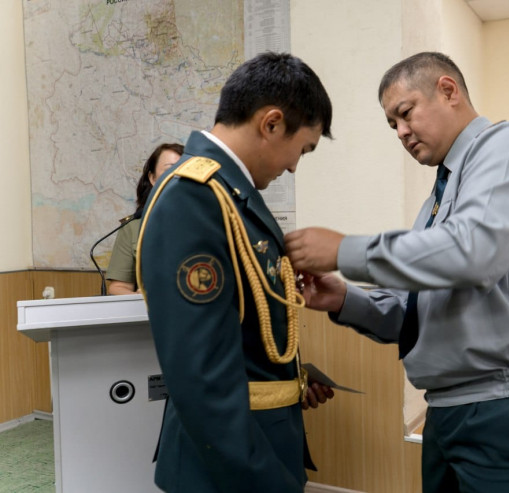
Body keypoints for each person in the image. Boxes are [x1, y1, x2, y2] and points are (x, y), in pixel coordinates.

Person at [285, 52, 509, 493]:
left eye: (405, 113)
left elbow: (473, 252)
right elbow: (420, 314)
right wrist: (344, 299)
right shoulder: (441, 196)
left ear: (448, 90)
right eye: (392, 125)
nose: (401, 132)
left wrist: (343, 250)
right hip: (452, 408)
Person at [136, 52, 334, 492]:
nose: (294, 166)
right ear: (271, 124)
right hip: (230, 470)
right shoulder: (195, 197)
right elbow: (201, 378)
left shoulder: (230, 194)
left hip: (259, 446)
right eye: (302, 149)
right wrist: (268, 482)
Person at [107, 142, 184, 295]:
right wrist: (141, 298)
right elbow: (118, 287)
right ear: (152, 178)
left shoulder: (208, 223)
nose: (177, 177)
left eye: (183, 171)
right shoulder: (133, 226)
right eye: (169, 170)